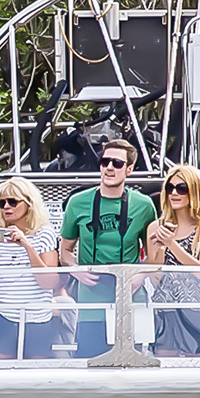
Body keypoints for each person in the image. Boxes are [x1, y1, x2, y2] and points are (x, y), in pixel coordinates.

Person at [58, 140, 158, 357]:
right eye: (105, 162)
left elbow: (154, 254)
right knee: (91, 365)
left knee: (133, 365)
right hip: (91, 298)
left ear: (129, 169)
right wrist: (76, 269)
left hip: (130, 296)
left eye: (117, 163)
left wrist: (140, 276)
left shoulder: (144, 205)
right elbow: (64, 250)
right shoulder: (78, 202)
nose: (109, 167)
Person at [0, 177, 61, 359]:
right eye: (2, 202)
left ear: (29, 204)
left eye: (13, 202)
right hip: (1, 314)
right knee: (0, 375)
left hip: (37, 315)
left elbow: (49, 282)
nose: (6, 207)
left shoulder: (44, 234)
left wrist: (27, 246)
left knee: (35, 375)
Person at [145, 164, 200, 356]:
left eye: (182, 188)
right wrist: (161, 246)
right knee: (164, 370)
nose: (175, 193)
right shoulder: (156, 227)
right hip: (166, 307)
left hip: (198, 307)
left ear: (195, 191)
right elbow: (156, 276)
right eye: (170, 188)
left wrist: (172, 244)